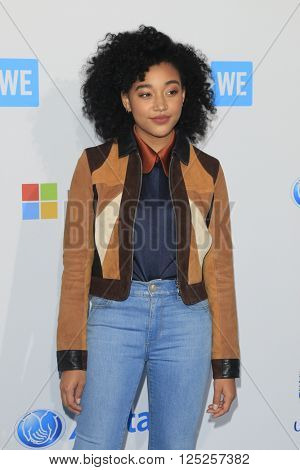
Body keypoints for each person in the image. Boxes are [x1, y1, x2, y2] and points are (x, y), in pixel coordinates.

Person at [56, 25, 241, 450]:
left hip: (187, 320)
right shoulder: (94, 165)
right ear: (124, 99)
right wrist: (72, 356)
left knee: (175, 451)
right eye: (145, 92)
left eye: (171, 91)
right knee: (96, 447)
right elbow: (77, 267)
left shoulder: (209, 171)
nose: (160, 104)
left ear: (185, 96)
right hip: (112, 317)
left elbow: (220, 271)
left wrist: (225, 364)